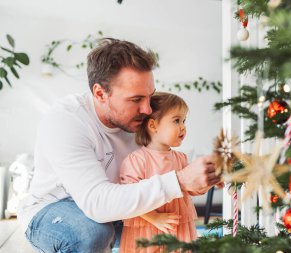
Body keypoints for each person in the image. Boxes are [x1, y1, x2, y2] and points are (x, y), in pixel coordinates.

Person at [17, 38, 220, 253]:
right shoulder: (66, 122)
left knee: (171, 225)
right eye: (136, 99)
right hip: (56, 208)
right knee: (92, 232)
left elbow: (161, 169)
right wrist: (179, 181)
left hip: (117, 206)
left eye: (150, 96)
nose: (147, 109)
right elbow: (97, 203)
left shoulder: (142, 120)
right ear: (100, 94)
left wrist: (207, 175)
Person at [119, 92, 203, 253]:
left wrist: (208, 180)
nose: (183, 126)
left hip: (177, 226)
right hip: (147, 227)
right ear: (153, 125)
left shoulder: (181, 158)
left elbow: (191, 188)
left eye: (184, 121)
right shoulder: (136, 160)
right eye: (176, 120)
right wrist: (154, 218)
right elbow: (129, 198)